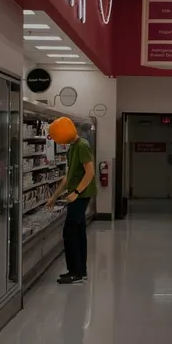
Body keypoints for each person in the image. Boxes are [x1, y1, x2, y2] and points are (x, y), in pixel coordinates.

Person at [46, 117, 96, 285]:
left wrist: (76, 192)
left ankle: (75, 273)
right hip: (76, 195)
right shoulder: (72, 148)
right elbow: (68, 176)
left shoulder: (82, 146)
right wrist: (54, 196)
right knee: (79, 233)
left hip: (81, 196)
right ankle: (80, 271)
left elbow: (90, 172)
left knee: (70, 232)